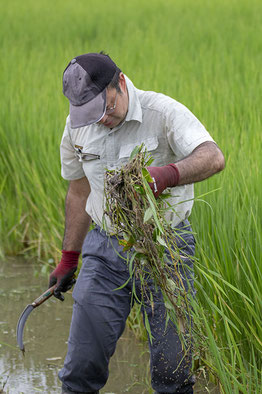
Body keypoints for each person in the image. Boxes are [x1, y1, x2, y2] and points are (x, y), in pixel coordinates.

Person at [49, 52, 225, 394]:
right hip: (105, 250)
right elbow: (78, 190)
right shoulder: (77, 126)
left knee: (172, 373)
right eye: (90, 115)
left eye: (105, 108)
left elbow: (213, 157)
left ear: (121, 83)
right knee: (79, 371)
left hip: (166, 250)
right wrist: (69, 258)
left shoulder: (163, 113)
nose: (100, 120)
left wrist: (167, 175)